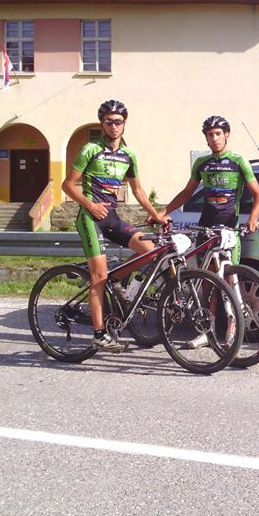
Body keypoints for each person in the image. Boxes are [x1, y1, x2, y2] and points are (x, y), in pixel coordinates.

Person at [61, 99, 170, 353]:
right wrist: (90, 205)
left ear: (124, 124)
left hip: (112, 217)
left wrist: (156, 214)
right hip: (90, 219)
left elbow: (138, 190)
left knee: (151, 249)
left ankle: (117, 278)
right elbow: (68, 185)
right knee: (99, 277)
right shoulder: (90, 149)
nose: (113, 126)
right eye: (108, 121)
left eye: (118, 121)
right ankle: (99, 335)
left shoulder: (128, 155)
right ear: (102, 124)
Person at [161, 115, 259, 256]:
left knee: (229, 268)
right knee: (205, 269)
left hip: (229, 225)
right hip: (206, 225)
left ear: (226, 135)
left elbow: (258, 195)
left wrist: (253, 218)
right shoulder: (201, 163)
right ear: (206, 138)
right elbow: (187, 193)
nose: (214, 138)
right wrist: (162, 212)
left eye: (218, 133)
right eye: (210, 135)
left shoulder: (239, 162)